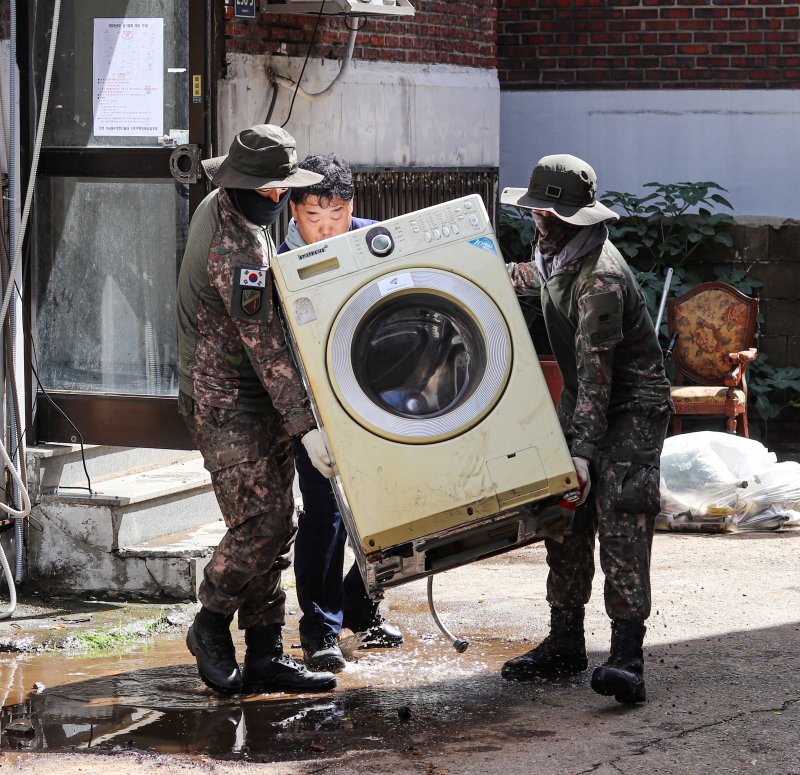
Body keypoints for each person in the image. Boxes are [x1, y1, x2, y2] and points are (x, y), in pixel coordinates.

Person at [500, 154, 672, 704]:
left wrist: (581, 456)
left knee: (620, 519)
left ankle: (627, 659)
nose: (537, 222)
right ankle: (565, 642)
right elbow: (529, 279)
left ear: (567, 218)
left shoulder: (601, 279)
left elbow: (599, 378)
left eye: (545, 215)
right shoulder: (559, 257)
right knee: (564, 516)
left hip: (630, 406)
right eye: (536, 213)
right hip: (585, 398)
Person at [177, 124, 338, 696]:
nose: (277, 198)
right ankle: (209, 623)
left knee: (277, 525)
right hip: (224, 401)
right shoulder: (236, 249)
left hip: (257, 398)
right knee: (262, 522)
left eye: (282, 189)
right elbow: (266, 347)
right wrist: (308, 428)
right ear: (240, 183)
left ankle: (266, 650)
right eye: (268, 189)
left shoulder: (229, 206)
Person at [277, 154, 404, 672]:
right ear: (294, 210)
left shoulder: (375, 240)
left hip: (374, 398)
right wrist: (306, 428)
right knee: (325, 512)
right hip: (314, 409)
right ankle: (320, 630)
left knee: (390, 503)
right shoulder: (279, 263)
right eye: (314, 217)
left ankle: (362, 604)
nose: (327, 229)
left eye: (338, 216)